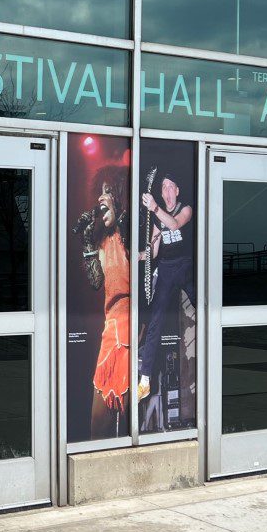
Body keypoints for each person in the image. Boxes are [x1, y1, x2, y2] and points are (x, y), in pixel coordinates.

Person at [77, 165, 130, 437]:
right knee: (100, 418)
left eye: (108, 191)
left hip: (135, 329)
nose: (102, 197)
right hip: (111, 331)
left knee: (131, 410)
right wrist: (88, 244)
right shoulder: (105, 241)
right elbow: (96, 281)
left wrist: (119, 216)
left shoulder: (132, 233)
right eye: (100, 192)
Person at [137, 172, 195, 407]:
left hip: (186, 265)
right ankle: (145, 378)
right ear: (161, 193)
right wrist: (140, 255)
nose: (168, 191)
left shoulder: (186, 209)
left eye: (172, 187)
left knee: (202, 305)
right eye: (164, 188)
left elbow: (175, 223)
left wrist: (154, 209)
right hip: (167, 269)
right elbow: (155, 250)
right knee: (155, 321)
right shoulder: (157, 218)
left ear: (177, 191)